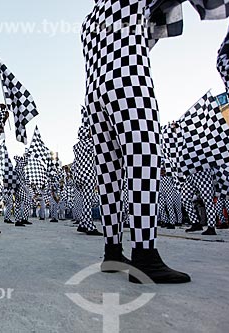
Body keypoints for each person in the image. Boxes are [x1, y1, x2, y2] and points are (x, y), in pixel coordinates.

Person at [82, 0, 190, 283]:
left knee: (109, 174)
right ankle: (145, 256)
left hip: (95, 93)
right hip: (128, 80)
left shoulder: (88, 21)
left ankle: (113, 252)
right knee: (144, 162)